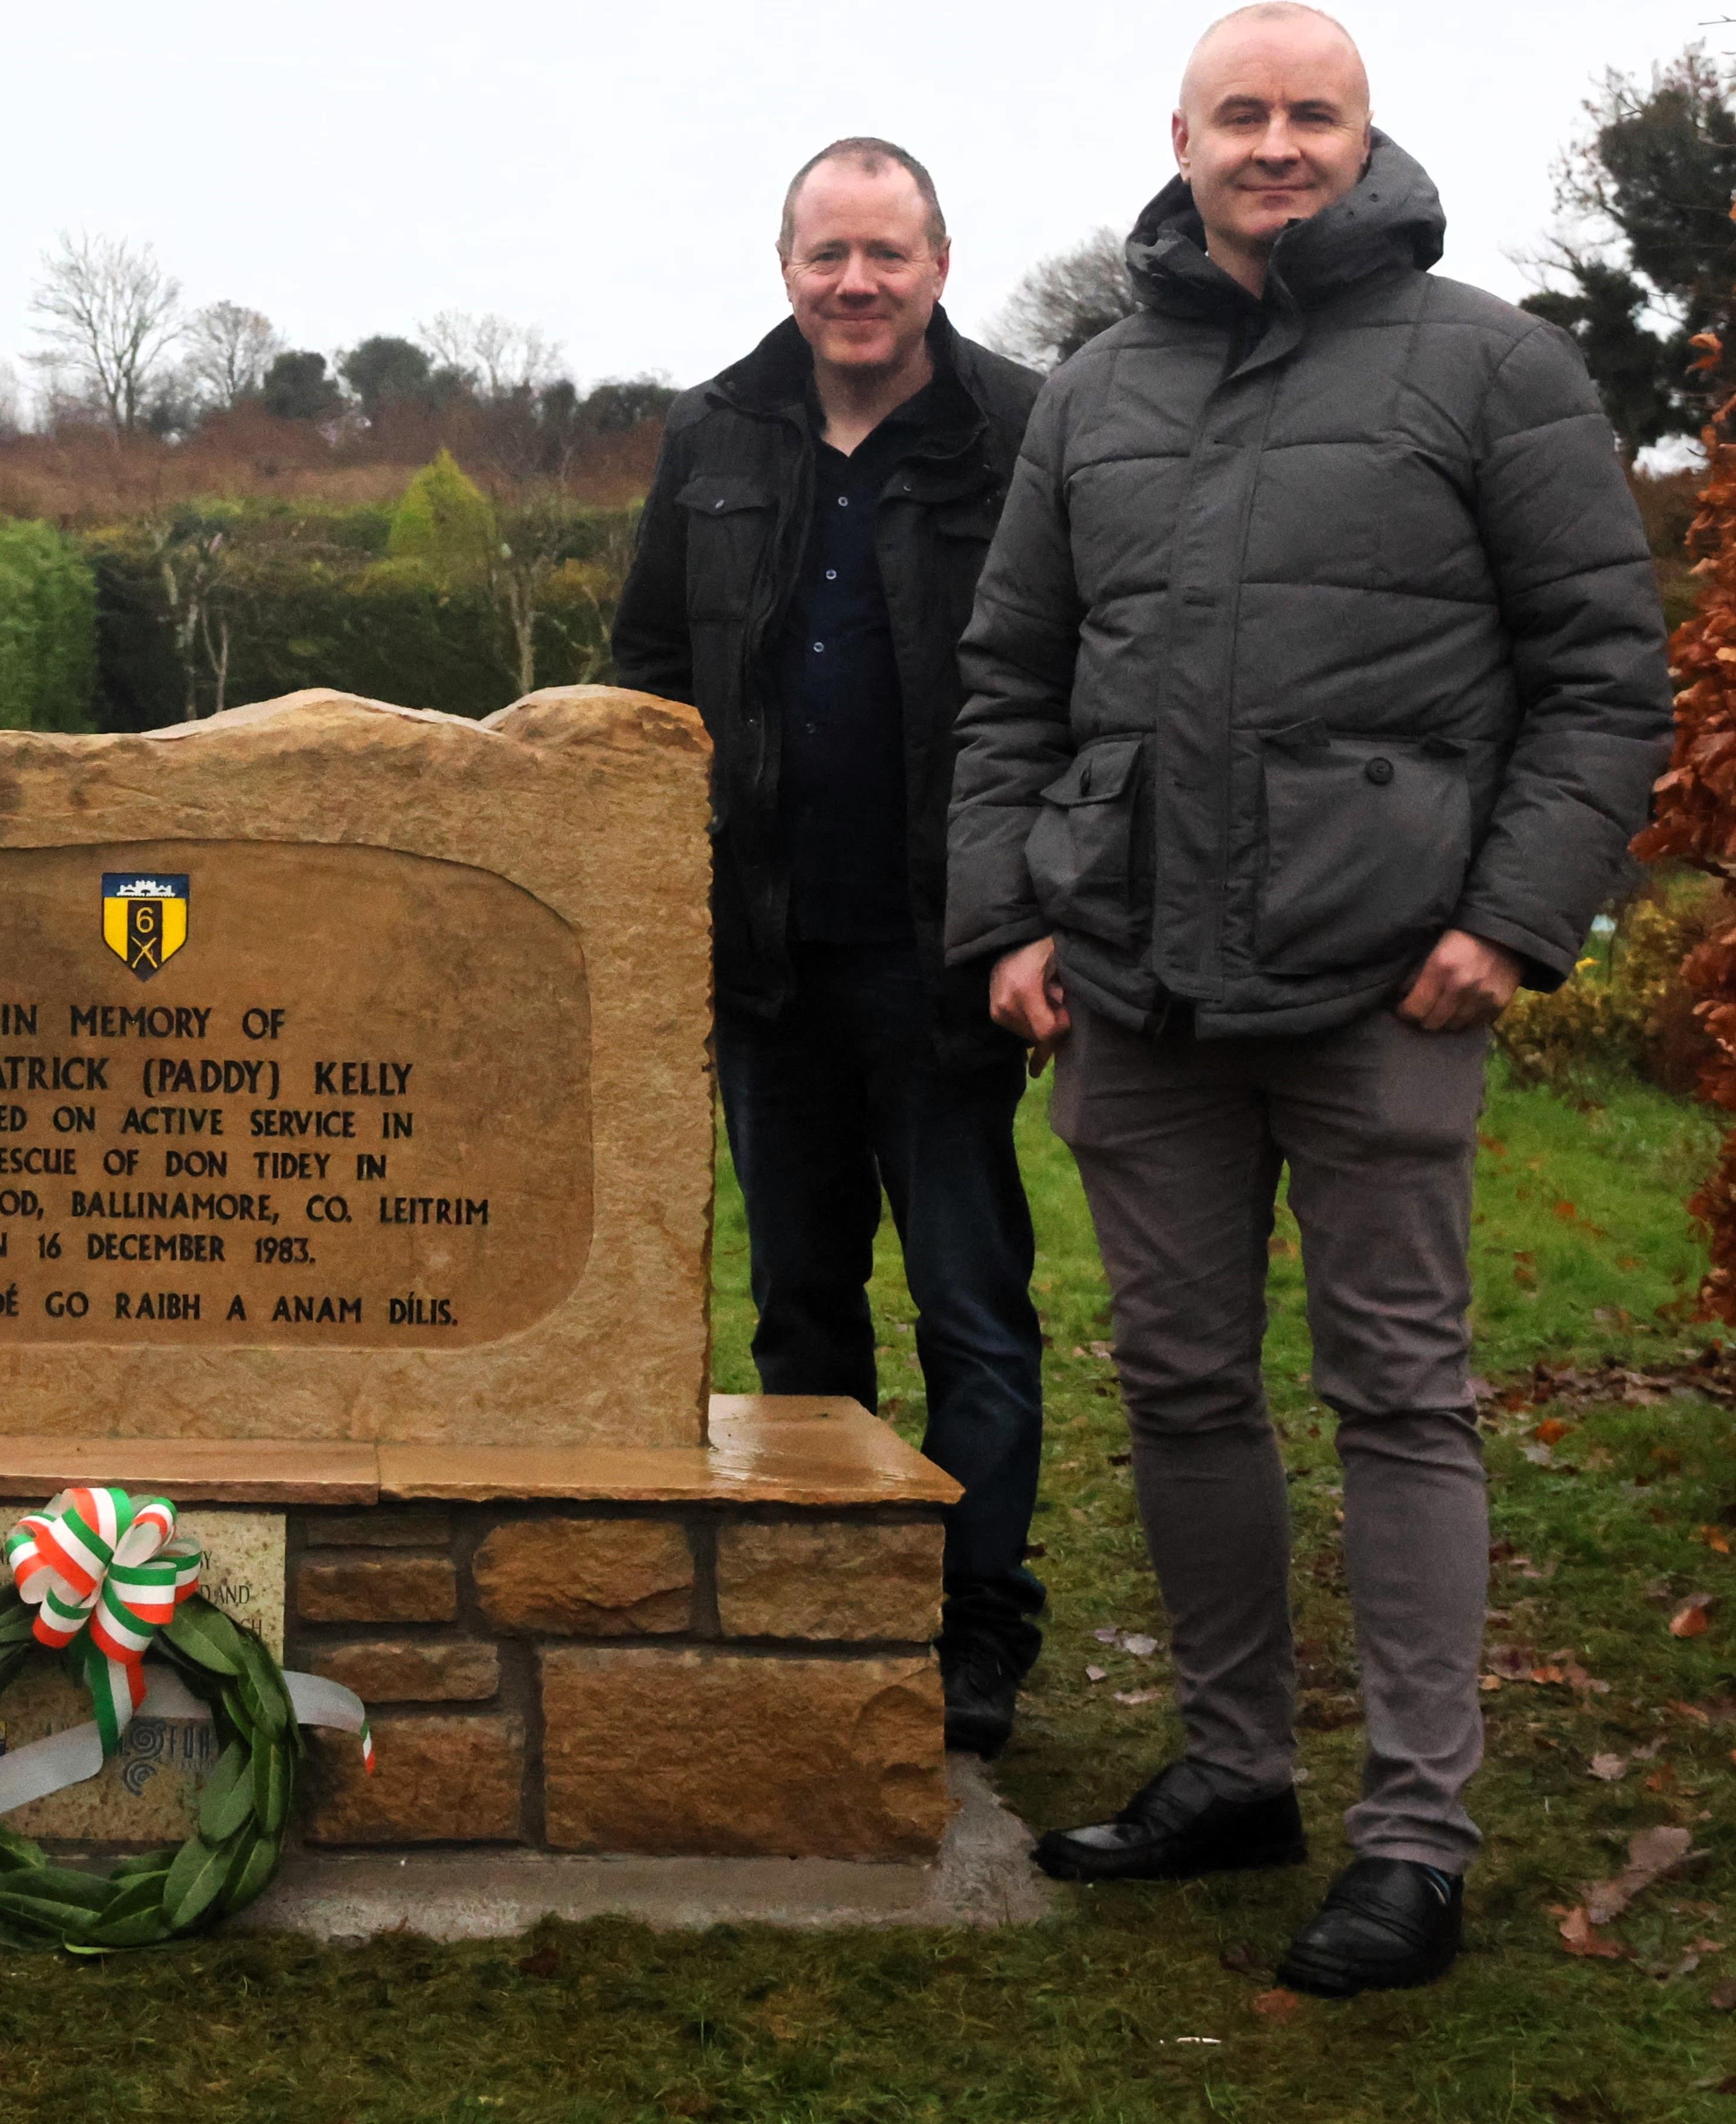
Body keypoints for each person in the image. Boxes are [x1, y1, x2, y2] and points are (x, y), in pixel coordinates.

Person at [949, 4, 1671, 1996]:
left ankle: (1414, 1842)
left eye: (1312, 115)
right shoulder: (1093, 390)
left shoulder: (1491, 367)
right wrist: (1009, 923)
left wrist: (1513, 922)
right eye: (1241, 115)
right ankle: (1233, 1769)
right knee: (1180, 1389)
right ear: (1178, 138)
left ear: (1366, 138)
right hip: (1136, 990)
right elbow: (1008, 682)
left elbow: (1605, 676)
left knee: (1399, 1401)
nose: (1276, 145)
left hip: (1387, 993)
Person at [612, 139, 1051, 1756]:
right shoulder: (712, 431)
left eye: (885, 253)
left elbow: (1064, 676)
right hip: (764, 962)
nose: (853, 285)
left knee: (969, 1307)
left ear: (938, 258)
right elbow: (648, 662)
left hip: (946, 955)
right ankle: (817, 1600)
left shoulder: (1020, 432)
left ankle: (976, 1619)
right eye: (825, 257)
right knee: (800, 1307)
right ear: (782, 266)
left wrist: (1035, 906)